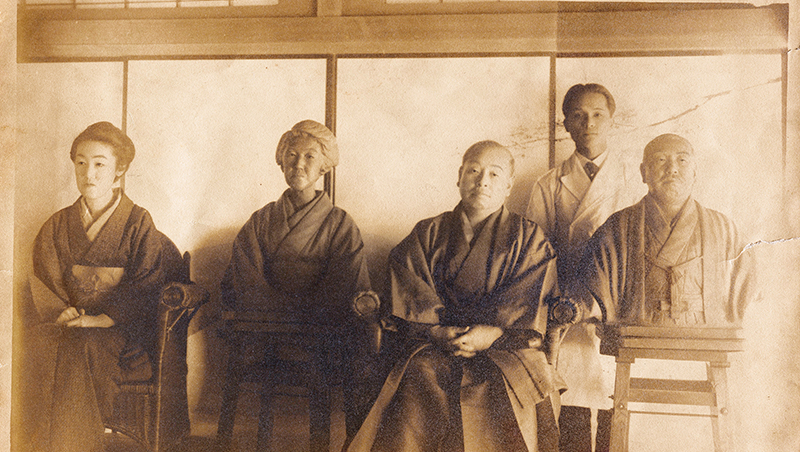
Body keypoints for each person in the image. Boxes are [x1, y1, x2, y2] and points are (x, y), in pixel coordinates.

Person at [348, 141, 564, 452]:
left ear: (508, 186)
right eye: (474, 171)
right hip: (434, 343)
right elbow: (409, 284)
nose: (483, 181)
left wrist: (491, 334)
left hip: (504, 346)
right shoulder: (428, 232)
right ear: (459, 176)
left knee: (507, 385)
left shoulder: (529, 237)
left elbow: (530, 294)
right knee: (417, 373)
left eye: (494, 174)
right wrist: (435, 330)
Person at [32, 121, 183, 452]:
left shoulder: (138, 222)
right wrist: (62, 311)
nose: (89, 173)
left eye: (100, 164)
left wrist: (103, 319)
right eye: (81, 162)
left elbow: (146, 283)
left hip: (121, 331)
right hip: (69, 325)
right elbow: (45, 279)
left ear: (120, 170)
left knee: (85, 344)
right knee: (46, 344)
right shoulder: (57, 224)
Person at [220, 119, 371, 438]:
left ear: (324, 167)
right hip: (263, 330)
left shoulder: (340, 224)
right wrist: (282, 312)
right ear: (281, 160)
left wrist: (294, 313)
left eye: (309, 156)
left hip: (318, 334)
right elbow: (244, 275)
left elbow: (344, 284)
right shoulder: (262, 219)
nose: (298, 164)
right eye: (291, 155)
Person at [526, 83, 645, 451]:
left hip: (619, 307)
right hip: (567, 309)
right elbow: (536, 256)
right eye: (578, 116)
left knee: (616, 402)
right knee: (573, 404)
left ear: (611, 121)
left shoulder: (634, 180)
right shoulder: (549, 184)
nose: (588, 123)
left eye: (597, 115)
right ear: (566, 124)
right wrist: (558, 308)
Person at [582, 133, 758, 327]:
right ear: (643, 172)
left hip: (707, 335)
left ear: (695, 172)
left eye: (682, 160)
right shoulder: (617, 228)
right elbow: (594, 291)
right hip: (636, 336)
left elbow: (747, 290)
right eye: (660, 160)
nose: (672, 169)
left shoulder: (723, 228)